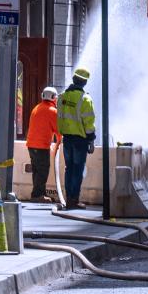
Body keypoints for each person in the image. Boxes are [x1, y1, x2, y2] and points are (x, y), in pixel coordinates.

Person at [57, 67, 96, 209]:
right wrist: (91, 140)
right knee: (78, 169)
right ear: (84, 82)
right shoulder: (85, 99)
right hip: (80, 140)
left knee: (69, 168)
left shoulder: (62, 97)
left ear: (74, 79)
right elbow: (89, 123)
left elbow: (60, 118)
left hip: (66, 138)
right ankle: (74, 200)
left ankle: (69, 199)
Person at [26, 86, 62, 203]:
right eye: (56, 97)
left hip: (31, 145)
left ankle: (38, 193)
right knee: (42, 170)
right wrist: (58, 143)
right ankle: (37, 195)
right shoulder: (53, 111)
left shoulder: (36, 108)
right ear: (53, 98)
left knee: (36, 170)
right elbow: (59, 131)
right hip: (41, 146)